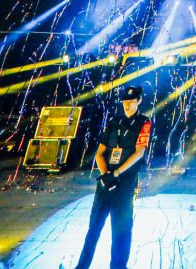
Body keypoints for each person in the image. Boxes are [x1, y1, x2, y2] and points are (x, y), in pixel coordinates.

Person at [73, 85, 152, 269]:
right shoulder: (113, 122)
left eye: (131, 101)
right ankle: (81, 266)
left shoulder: (144, 122)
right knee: (93, 228)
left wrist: (116, 174)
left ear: (139, 101)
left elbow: (139, 152)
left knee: (121, 231)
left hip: (125, 183)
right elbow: (100, 153)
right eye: (125, 101)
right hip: (106, 182)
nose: (127, 105)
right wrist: (106, 176)